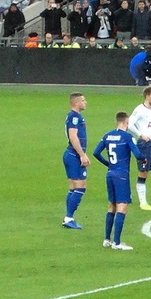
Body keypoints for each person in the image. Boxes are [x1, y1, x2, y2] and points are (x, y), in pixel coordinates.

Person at [93, 111, 143, 251]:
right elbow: (138, 154)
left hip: (110, 174)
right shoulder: (127, 137)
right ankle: (117, 242)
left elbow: (96, 152)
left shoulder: (107, 135)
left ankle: (107, 239)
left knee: (111, 206)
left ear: (117, 122)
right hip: (122, 175)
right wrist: (144, 158)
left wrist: (108, 163)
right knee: (122, 207)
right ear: (127, 123)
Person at [62, 92, 89, 230]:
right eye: (83, 100)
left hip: (71, 155)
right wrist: (82, 155)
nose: (86, 103)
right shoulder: (74, 117)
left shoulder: (75, 116)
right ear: (76, 103)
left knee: (73, 187)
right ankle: (68, 218)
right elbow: (73, 137)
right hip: (74, 155)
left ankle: (68, 217)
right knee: (80, 186)